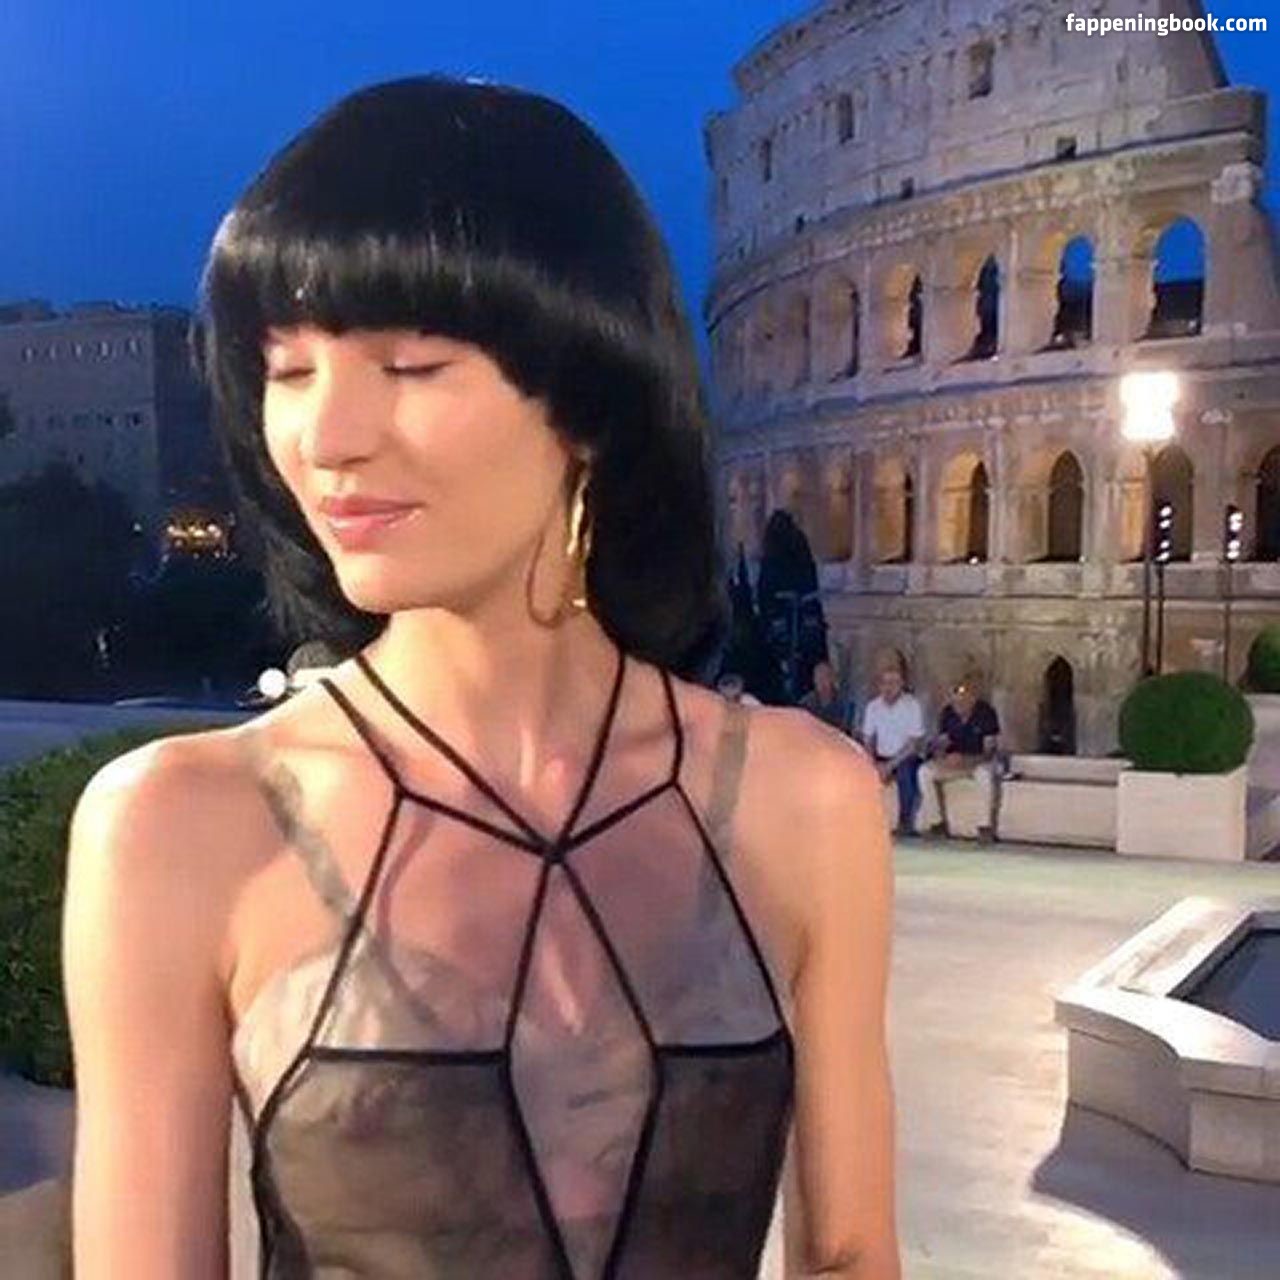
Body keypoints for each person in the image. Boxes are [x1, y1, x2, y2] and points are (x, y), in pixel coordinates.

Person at [61, 77, 900, 1280]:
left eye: (408, 364)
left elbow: (852, 1253)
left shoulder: (803, 798)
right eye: (286, 369)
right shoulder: (179, 823)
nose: (326, 436)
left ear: (590, 402)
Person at [919, 681, 1003, 844]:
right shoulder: (948, 713)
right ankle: (937, 823)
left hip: (979, 761)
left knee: (984, 775)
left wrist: (966, 760)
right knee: (924, 772)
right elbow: (942, 743)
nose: (960, 704)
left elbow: (989, 752)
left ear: (973, 698)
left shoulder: (986, 713)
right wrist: (941, 756)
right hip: (955, 763)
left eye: (964, 699)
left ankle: (985, 827)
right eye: (956, 700)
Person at [860, 665, 925, 838]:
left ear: (901, 684)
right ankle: (865, 820)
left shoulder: (912, 705)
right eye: (885, 682)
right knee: (861, 770)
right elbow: (868, 739)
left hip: (905, 757)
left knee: (906, 771)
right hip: (881, 756)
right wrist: (873, 763)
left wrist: (890, 765)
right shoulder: (873, 707)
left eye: (893, 682)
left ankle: (905, 822)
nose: (889, 687)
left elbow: (913, 744)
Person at [799, 659, 855, 737]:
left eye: (825, 677)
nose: (821, 682)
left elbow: (845, 731)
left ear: (832, 679)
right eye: (818, 678)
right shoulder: (806, 703)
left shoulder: (845, 703)